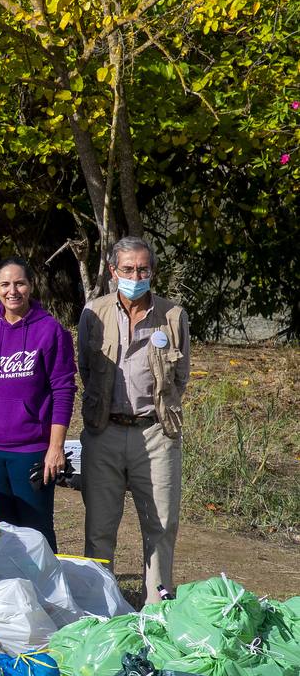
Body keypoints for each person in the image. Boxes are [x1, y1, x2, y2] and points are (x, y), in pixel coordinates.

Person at [78, 236, 190, 603]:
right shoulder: (93, 313)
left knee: (160, 527)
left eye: (143, 269)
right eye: (127, 269)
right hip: (103, 432)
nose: (135, 275)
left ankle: (157, 612)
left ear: (152, 271)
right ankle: (99, 609)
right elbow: (85, 370)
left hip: (156, 433)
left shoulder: (173, 315)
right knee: (99, 529)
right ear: (113, 271)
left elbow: (181, 376)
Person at [0, 256, 76, 551]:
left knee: (36, 532)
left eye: (20, 283)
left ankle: (47, 595)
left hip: (30, 450)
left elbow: (64, 390)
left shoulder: (50, 330)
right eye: (5, 284)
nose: (12, 291)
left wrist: (55, 448)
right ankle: (8, 594)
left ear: (31, 286)